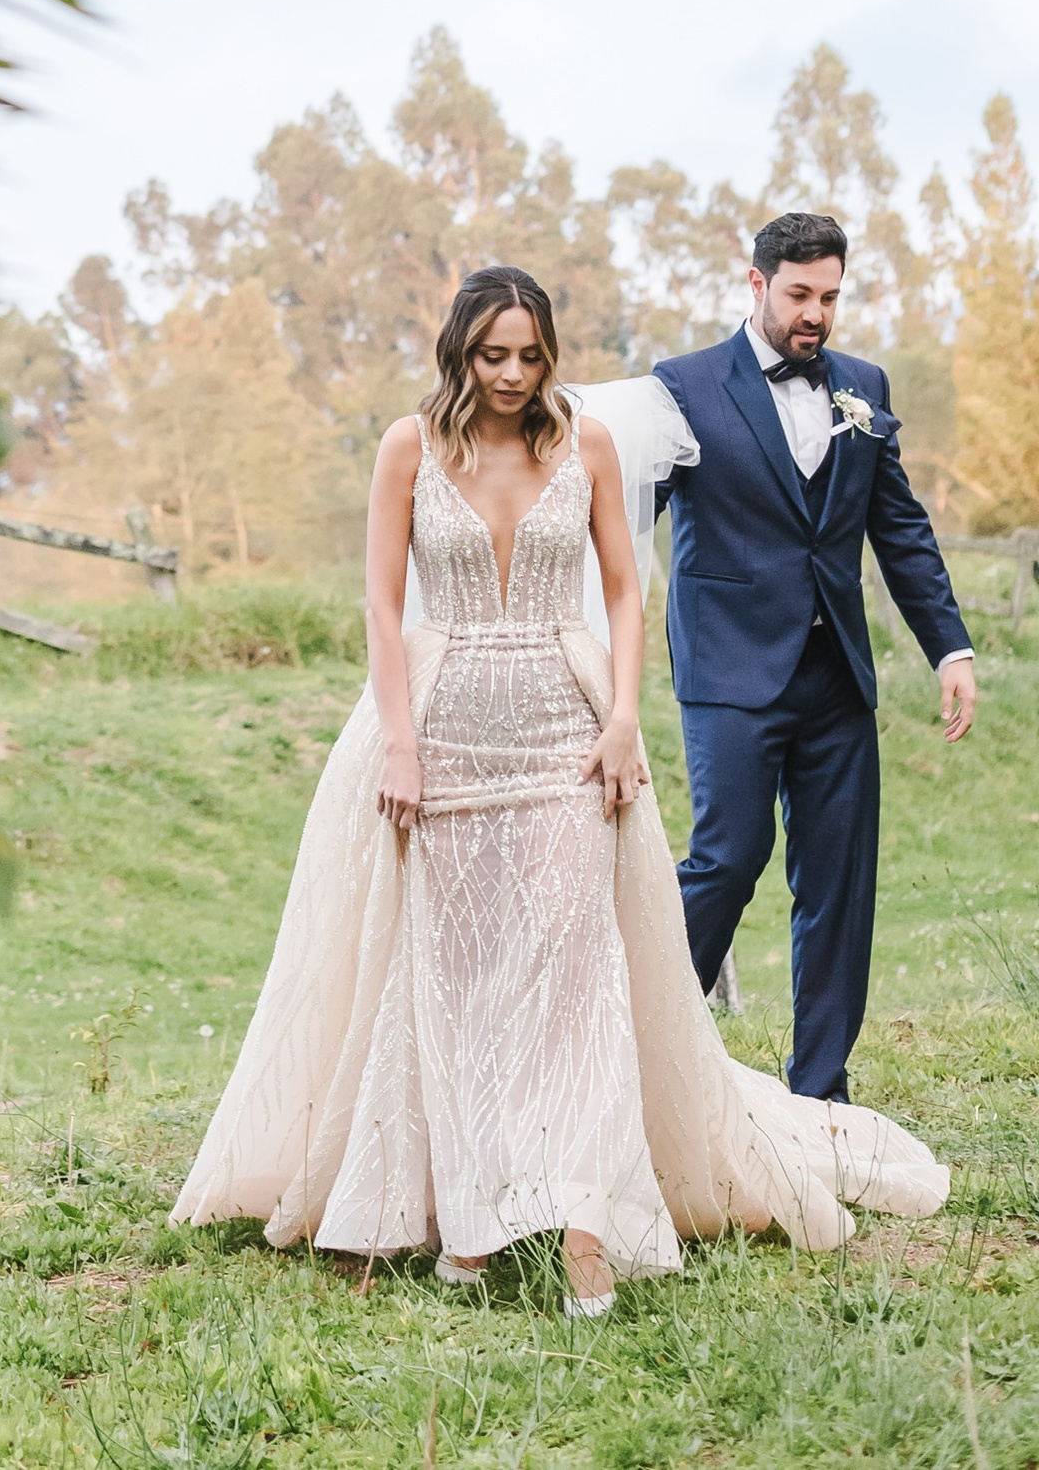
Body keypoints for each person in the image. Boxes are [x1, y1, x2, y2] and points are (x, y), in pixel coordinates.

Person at [172, 263, 948, 1299]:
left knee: (573, 974)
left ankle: (584, 1220)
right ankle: (469, 1213)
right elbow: (380, 604)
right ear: (459, 350)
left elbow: (625, 591)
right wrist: (397, 741)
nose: (510, 374)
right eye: (492, 354)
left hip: (565, 734)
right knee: (455, 979)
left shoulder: (582, 442)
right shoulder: (409, 446)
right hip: (445, 732)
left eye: (529, 355)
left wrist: (622, 718)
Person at [654, 210, 974, 1103]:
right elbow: (623, 514)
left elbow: (899, 529)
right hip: (728, 670)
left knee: (839, 880)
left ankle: (821, 1092)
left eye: (829, 297)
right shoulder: (684, 386)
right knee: (727, 858)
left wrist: (949, 647)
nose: (815, 314)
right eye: (799, 294)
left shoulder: (863, 386)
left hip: (836, 676)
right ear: (757, 284)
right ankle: (642, 1049)